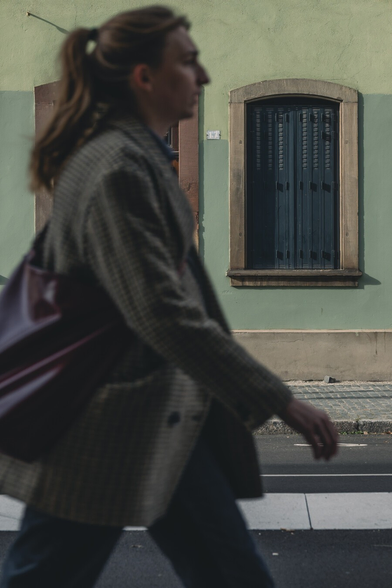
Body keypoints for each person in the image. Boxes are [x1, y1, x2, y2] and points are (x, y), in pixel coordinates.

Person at [0, 6, 338, 587]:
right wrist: (281, 399)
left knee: (231, 573)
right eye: (187, 61)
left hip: (156, 416)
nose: (203, 76)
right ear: (144, 77)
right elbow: (162, 313)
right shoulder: (115, 167)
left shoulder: (139, 157)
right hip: (102, 425)